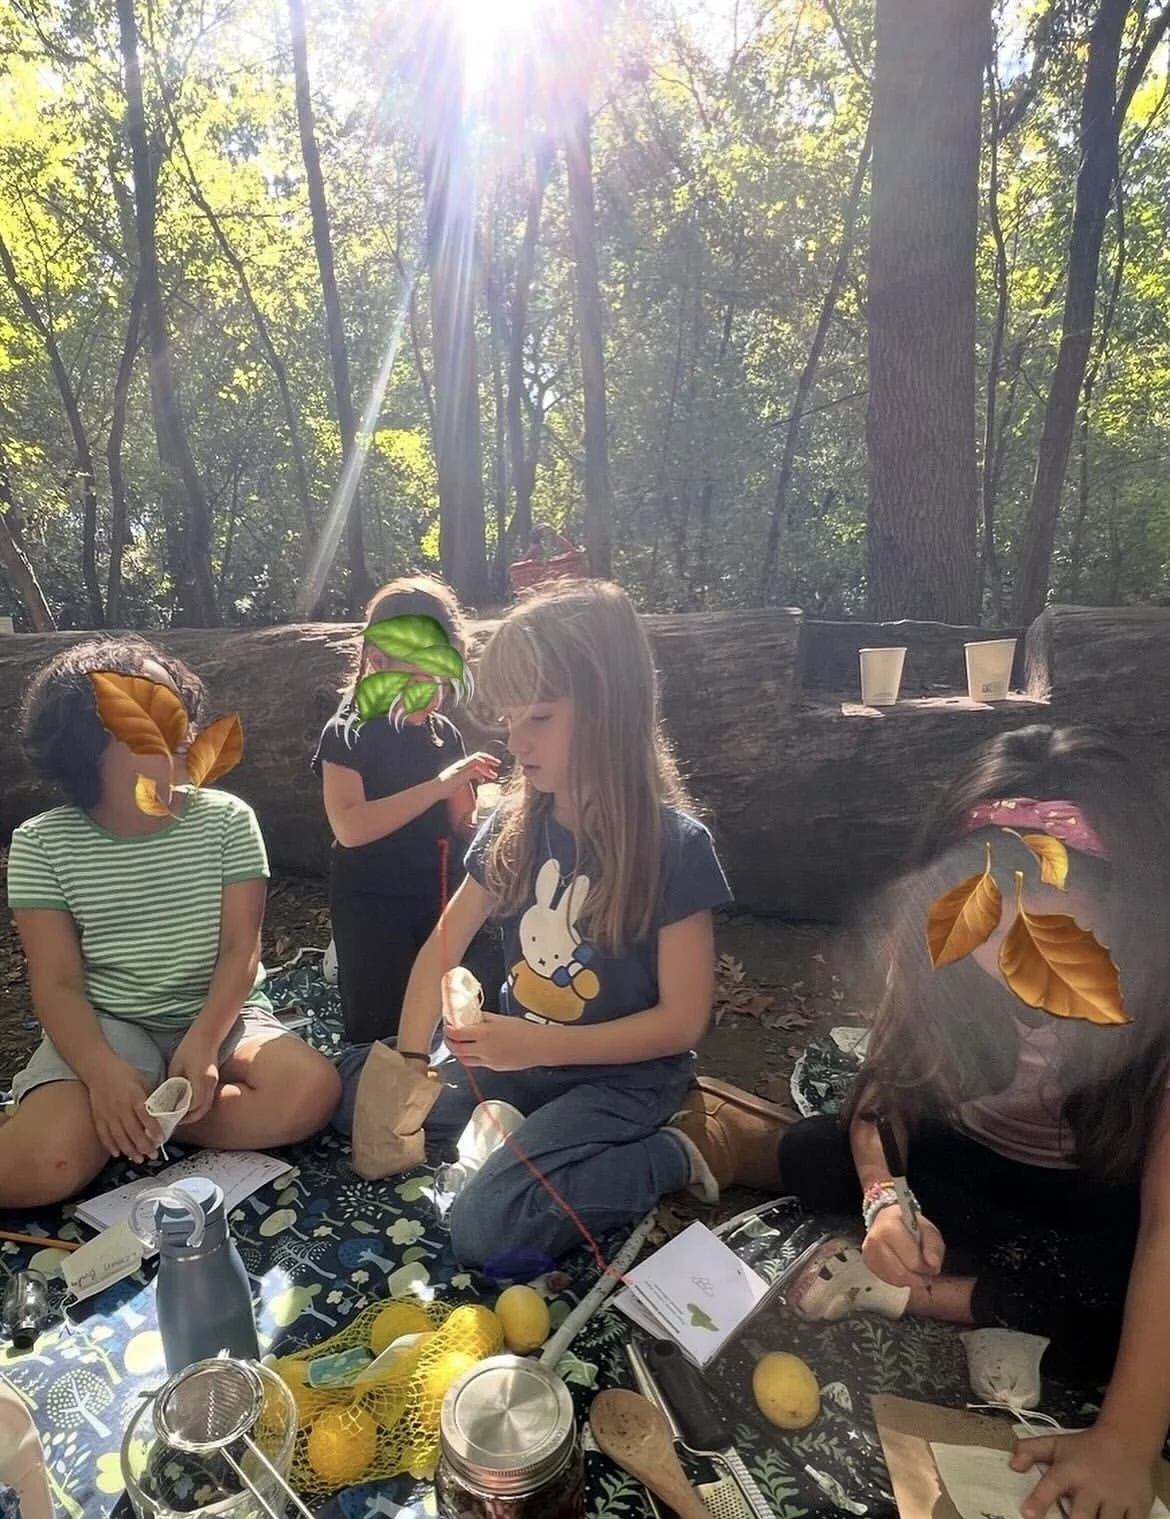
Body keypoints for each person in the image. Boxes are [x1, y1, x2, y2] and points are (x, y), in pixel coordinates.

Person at [777, 725, 1170, 1519]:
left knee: (1126, 1290)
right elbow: (880, 1096)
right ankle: (980, 1277)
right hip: (968, 1169)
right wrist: (886, 1197)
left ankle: (915, 1292)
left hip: (1094, 1193)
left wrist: (1126, 1441)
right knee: (810, 1152)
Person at [395, 579, 737, 1269]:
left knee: (486, 1227)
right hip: (524, 1057)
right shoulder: (517, 824)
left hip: (628, 1078)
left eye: (540, 718)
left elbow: (681, 1022)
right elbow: (445, 942)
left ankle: (671, 1151)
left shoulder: (674, 846)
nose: (515, 741)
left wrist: (536, 1048)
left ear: (608, 711)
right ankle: (530, 1135)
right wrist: (406, 1062)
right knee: (381, 1113)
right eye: (510, 718)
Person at [1, 636, 341, 1209]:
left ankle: (132, 1124)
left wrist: (204, 1044)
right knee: (37, 1168)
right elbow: (55, 983)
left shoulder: (227, 821)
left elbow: (240, 950)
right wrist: (101, 1073)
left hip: (219, 1015)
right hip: (107, 1025)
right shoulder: (42, 844)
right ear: (89, 743)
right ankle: (118, 1112)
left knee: (309, 1093)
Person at [312, 576, 501, 1044]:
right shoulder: (347, 732)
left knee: (465, 1012)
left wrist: (497, 820)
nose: (434, 694)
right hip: (374, 908)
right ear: (377, 662)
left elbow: (463, 824)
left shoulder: (442, 733)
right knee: (384, 1030)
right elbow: (350, 826)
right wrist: (439, 786)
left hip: (439, 900)